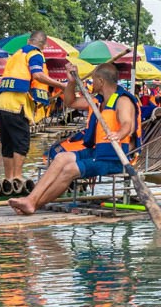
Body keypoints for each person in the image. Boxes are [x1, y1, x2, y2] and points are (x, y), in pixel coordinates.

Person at [8, 63, 138, 215]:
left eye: (93, 80)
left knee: (70, 169)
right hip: (97, 152)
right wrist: (71, 82)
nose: (91, 83)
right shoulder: (97, 100)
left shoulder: (123, 101)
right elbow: (71, 102)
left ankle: (33, 204)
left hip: (115, 158)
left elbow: (127, 124)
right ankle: (31, 199)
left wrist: (118, 134)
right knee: (61, 158)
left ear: (101, 81)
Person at [0, 29, 67, 183]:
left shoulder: (17, 54)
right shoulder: (35, 54)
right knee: (22, 141)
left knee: (8, 143)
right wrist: (61, 85)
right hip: (16, 103)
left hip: (1, 102)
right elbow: (38, 75)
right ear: (44, 45)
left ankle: (9, 178)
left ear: (28, 41)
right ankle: (17, 178)